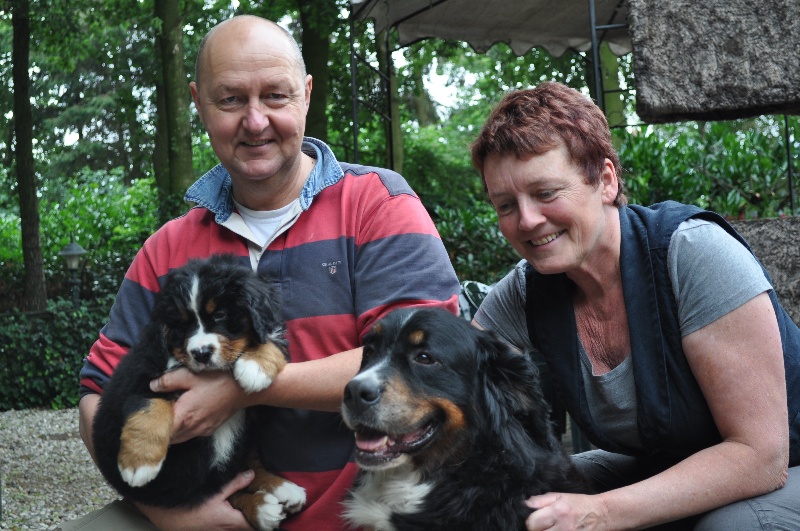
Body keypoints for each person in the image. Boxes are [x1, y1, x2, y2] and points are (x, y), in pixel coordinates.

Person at [62, 15, 460, 531]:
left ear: (306, 95)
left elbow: (423, 363)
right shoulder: (167, 249)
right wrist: (171, 514)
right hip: (199, 505)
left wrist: (247, 387)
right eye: (230, 99)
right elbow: (96, 392)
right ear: (199, 104)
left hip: (368, 516)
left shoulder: (378, 206)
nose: (255, 121)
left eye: (275, 95)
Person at [469, 81, 800, 530]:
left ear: (605, 181)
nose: (527, 220)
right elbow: (451, 381)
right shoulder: (526, 292)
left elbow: (761, 457)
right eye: (506, 205)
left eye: (546, 193)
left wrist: (600, 512)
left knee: (735, 526)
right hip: (667, 464)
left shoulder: (692, 253)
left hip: (783, 466)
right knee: (524, 499)